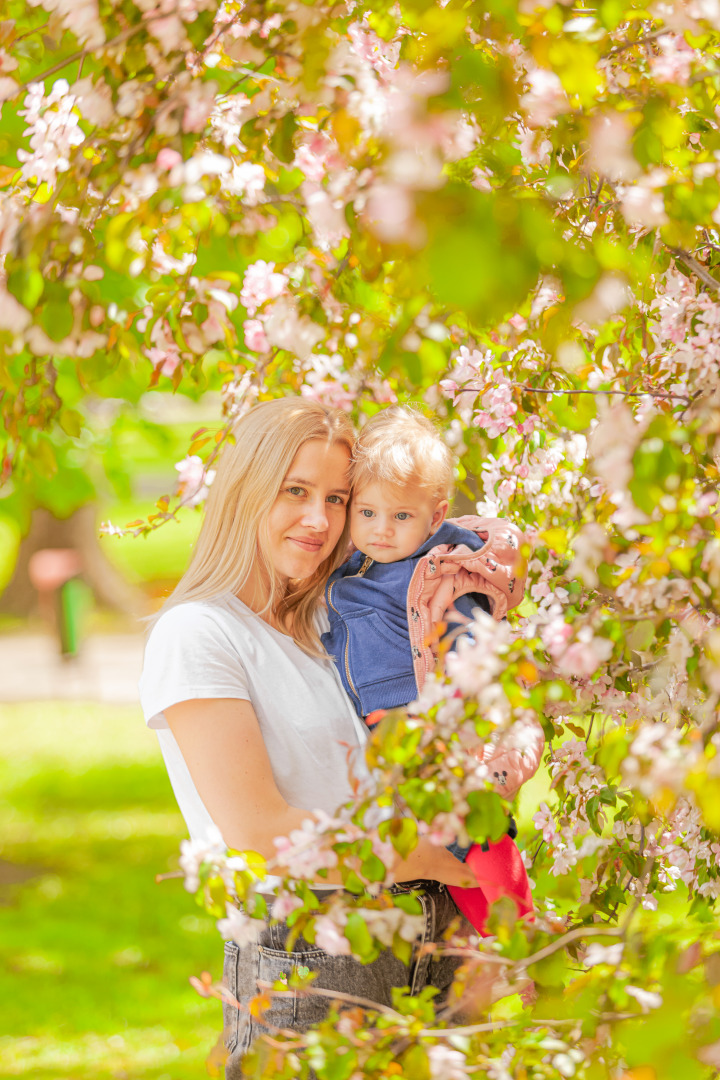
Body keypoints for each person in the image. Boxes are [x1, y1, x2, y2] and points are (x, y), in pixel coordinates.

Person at [138, 398, 479, 1078]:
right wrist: (444, 863)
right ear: (246, 491)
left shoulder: (331, 625)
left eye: (337, 498)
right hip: (313, 956)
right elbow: (263, 834)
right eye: (295, 491)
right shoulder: (199, 633)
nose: (319, 520)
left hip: (422, 938)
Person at [322, 406, 542, 934]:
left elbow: (472, 642)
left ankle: (525, 932)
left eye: (400, 517)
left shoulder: (438, 573)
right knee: (444, 843)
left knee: (474, 829)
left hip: (430, 725)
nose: (380, 529)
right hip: (381, 731)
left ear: (436, 513)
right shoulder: (353, 569)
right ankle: (497, 942)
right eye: (367, 513)